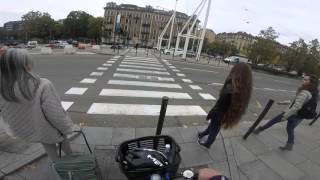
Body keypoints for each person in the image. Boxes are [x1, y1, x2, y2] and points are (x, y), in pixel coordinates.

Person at [0, 48, 75, 161]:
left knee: (48, 143)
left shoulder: (4, 87)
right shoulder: (42, 85)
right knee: (59, 136)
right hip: (45, 127)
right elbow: (55, 113)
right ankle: (71, 158)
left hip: (24, 129)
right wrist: (67, 127)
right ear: (25, 65)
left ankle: (56, 164)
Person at [254, 74, 319, 151]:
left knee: (273, 121)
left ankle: (258, 130)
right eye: (303, 79)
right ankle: (289, 144)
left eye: (305, 80)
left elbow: (296, 106)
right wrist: (285, 103)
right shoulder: (314, 92)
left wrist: (285, 116)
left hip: (292, 113)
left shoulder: (305, 92)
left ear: (311, 82)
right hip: (299, 116)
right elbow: (300, 103)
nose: (303, 81)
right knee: (290, 129)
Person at [198, 63, 253, 148]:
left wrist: (211, 113)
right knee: (214, 126)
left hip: (219, 114)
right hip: (225, 114)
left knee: (214, 129)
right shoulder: (243, 89)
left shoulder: (230, 88)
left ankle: (208, 143)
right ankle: (203, 134)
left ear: (236, 73)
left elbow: (219, 105)